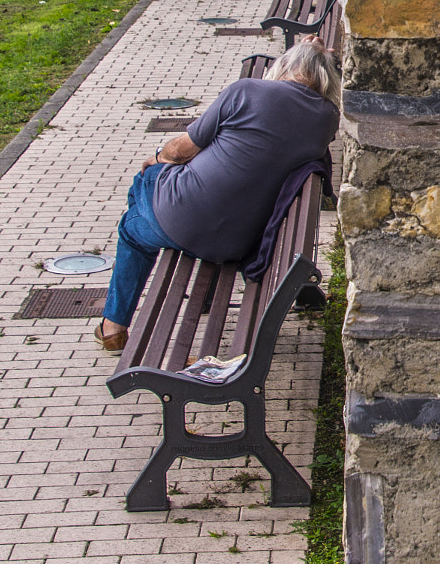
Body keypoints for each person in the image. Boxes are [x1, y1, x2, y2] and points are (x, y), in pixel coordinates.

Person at [96, 38, 341, 351]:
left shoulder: (247, 90)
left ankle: (114, 325)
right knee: (151, 195)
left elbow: (182, 151)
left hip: (185, 216)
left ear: (285, 65)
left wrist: (157, 155)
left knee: (139, 202)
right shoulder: (327, 119)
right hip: (235, 242)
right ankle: (127, 308)